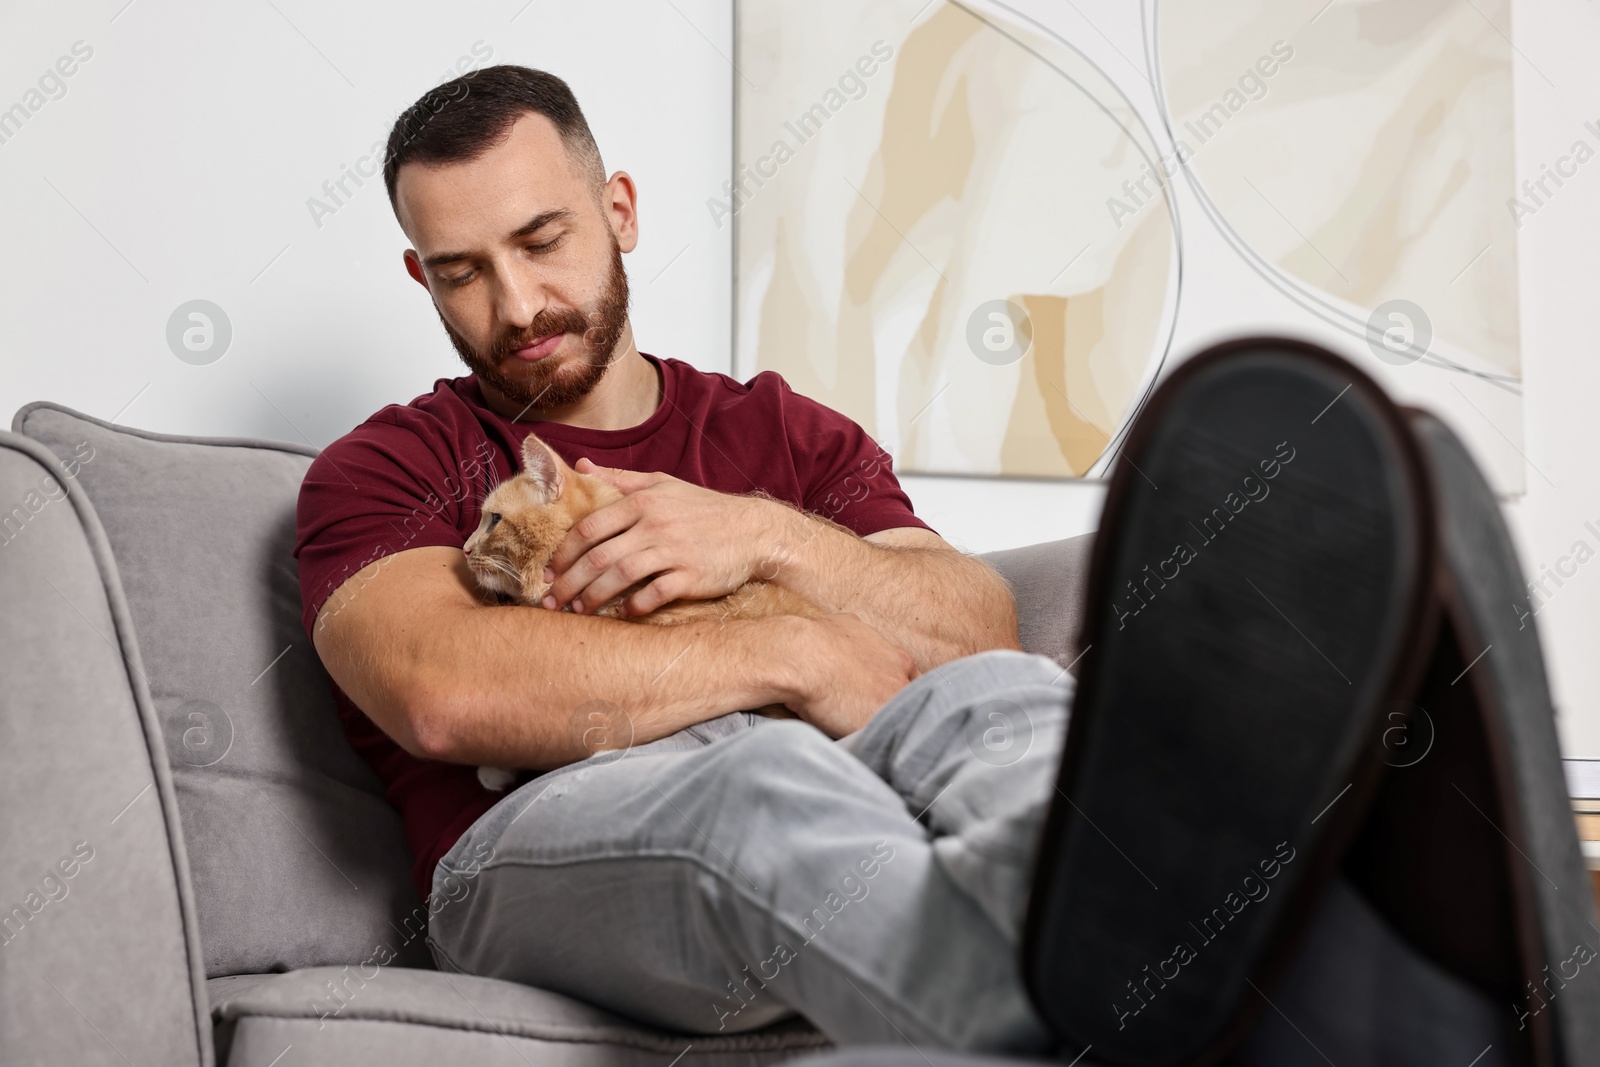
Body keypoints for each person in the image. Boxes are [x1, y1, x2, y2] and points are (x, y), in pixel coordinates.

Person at [297, 66, 1599, 1065]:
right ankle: (1325, 1007)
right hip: (537, 845)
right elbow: (444, 691)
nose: (517, 307)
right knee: (765, 787)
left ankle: (1311, 966)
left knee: (1008, 710)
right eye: (462, 273)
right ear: (419, 275)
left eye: (542, 241)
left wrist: (757, 532)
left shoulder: (783, 434)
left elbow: (971, 631)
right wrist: (793, 649)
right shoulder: (393, 465)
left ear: (619, 209)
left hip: (865, 758)